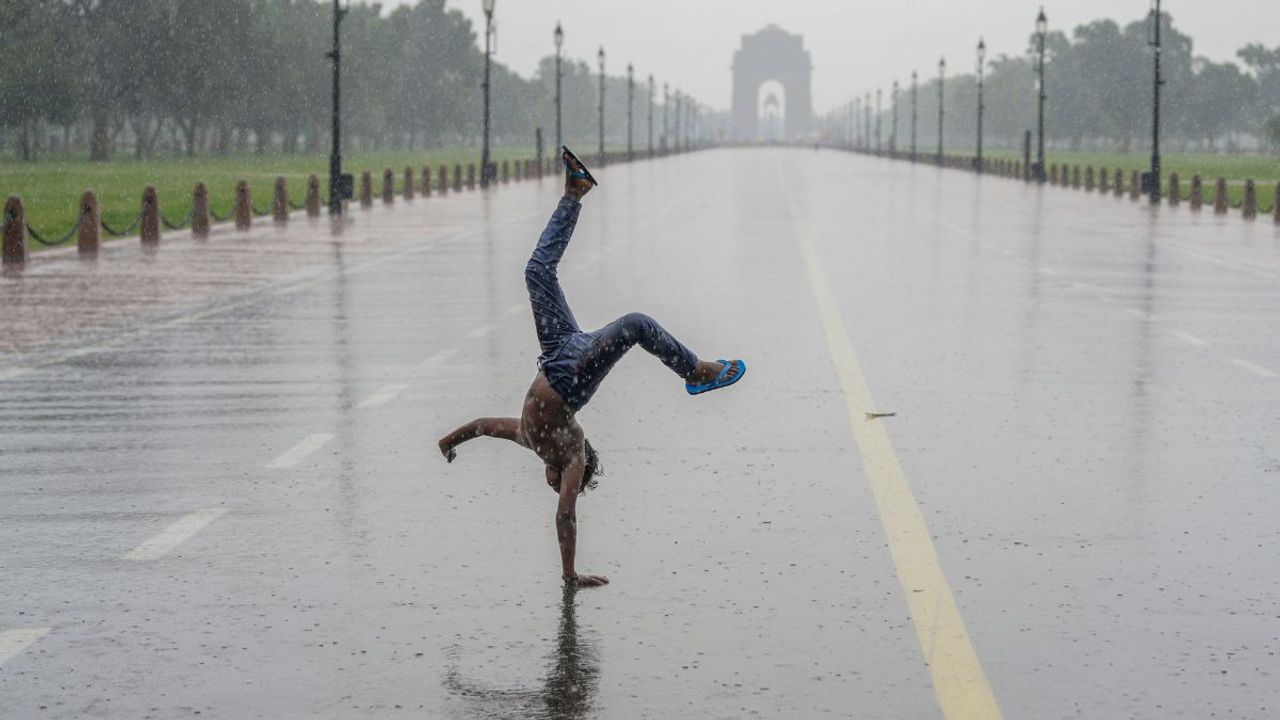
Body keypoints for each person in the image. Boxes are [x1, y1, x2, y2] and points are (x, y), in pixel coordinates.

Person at [438, 147, 746, 589]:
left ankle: (575, 192)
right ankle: (695, 371)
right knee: (634, 323)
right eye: (560, 485)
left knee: (536, 272)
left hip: (555, 353)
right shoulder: (572, 456)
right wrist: (570, 574)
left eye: (556, 486)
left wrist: (448, 443)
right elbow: (566, 515)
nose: (553, 487)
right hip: (570, 375)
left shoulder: (527, 437)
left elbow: (483, 426)